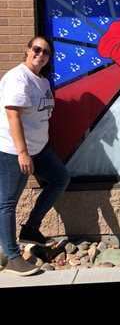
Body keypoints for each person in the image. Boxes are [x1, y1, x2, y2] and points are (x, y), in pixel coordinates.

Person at [0, 36, 70, 276]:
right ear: (28, 50)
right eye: (37, 49)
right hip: (13, 151)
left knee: (60, 178)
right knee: (8, 202)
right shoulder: (18, 78)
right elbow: (13, 116)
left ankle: (30, 228)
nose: (41, 54)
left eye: (46, 52)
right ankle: (11, 256)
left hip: (39, 149)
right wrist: (22, 153)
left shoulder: (42, 81)